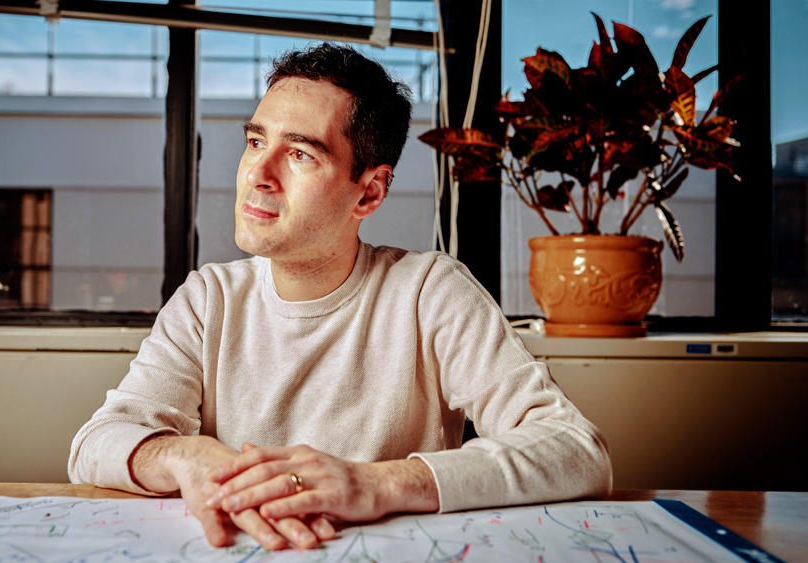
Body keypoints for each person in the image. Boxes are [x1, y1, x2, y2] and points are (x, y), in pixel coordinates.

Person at [69, 42, 611, 551]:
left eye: (300, 155)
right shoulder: (207, 299)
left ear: (369, 191)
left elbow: (577, 451)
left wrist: (378, 483)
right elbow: (96, 444)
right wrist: (186, 456)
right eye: (256, 142)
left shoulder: (429, 291)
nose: (258, 174)